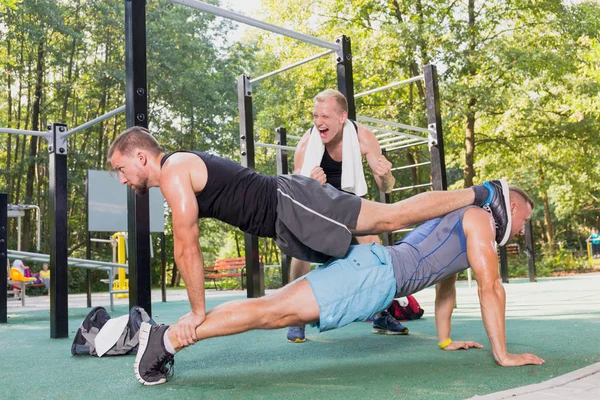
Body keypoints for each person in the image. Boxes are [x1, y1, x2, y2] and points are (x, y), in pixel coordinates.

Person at [107, 126, 511, 350]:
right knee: (360, 259)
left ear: (141, 156)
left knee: (389, 218)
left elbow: (186, 244)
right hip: (288, 225)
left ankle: (482, 194)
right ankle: (383, 302)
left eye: (121, 169)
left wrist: (197, 313)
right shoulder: (176, 175)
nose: (123, 179)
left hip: (291, 205)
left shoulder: (174, 170)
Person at [133, 184, 543, 386]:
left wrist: (444, 340)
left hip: (372, 269)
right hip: (373, 275)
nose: (522, 226)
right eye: (523, 216)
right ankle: (166, 340)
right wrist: (502, 354)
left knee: (272, 307)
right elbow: (491, 287)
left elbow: (446, 286)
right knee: (272, 312)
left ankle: (164, 339)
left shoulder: (462, 222)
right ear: (506, 206)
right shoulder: (479, 220)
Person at [288, 89, 402, 341]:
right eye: (316, 116)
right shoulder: (307, 144)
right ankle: (297, 318)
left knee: (374, 246)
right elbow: (294, 192)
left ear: (342, 117)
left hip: (350, 201)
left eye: (325, 116)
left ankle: (382, 314)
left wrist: (385, 176)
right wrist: (308, 183)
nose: (319, 122)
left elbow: (386, 187)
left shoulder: (364, 138)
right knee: (300, 249)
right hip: (317, 203)